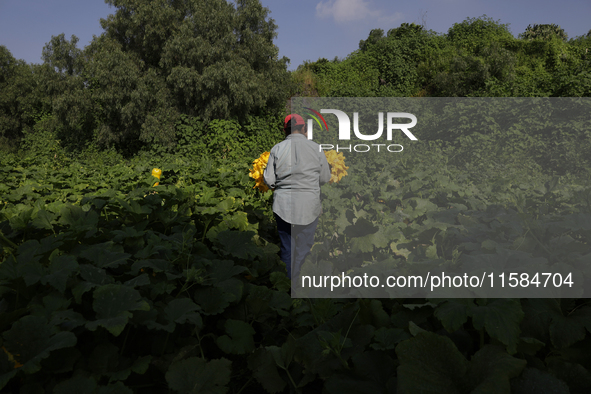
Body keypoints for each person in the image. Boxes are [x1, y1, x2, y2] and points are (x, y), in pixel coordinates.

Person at [264, 114, 331, 280]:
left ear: (284, 130)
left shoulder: (277, 149)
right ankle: (301, 285)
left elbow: (269, 180)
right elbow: (324, 178)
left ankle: (286, 285)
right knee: (304, 249)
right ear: (304, 129)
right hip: (309, 205)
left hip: (283, 206)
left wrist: (278, 186)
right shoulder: (316, 148)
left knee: (287, 249)